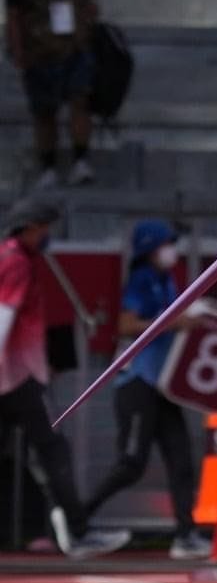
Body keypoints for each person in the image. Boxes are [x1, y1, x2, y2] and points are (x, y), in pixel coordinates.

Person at [0, 198, 129, 558]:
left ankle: (76, 529)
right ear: (29, 228)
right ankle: (79, 530)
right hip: (18, 378)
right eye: (44, 229)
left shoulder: (8, 257)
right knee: (55, 451)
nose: (47, 236)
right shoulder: (16, 263)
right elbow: (4, 316)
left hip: (12, 376)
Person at [83, 220, 210, 559]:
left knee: (181, 459)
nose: (172, 250)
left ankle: (186, 533)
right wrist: (174, 322)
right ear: (150, 248)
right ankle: (77, 517)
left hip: (164, 385)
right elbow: (126, 325)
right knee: (132, 463)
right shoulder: (140, 280)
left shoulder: (167, 279)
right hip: (138, 383)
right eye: (166, 244)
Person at [5, 0, 99, 188]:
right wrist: (17, 50)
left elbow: (91, 0)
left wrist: (89, 23)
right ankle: (48, 165)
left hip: (75, 47)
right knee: (44, 113)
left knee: (80, 102)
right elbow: (14, 17)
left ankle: (81, 159)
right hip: (40, 52)